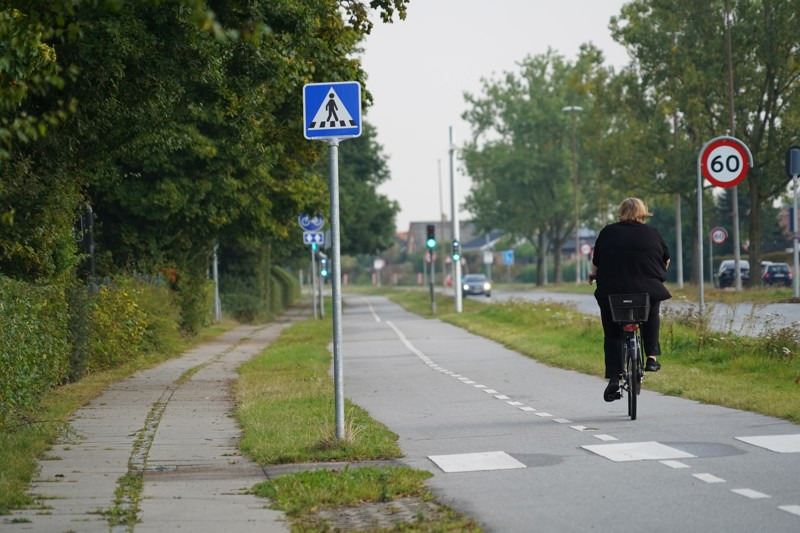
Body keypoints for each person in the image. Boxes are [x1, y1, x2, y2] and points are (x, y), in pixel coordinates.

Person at [589, 198, 671, 402]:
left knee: (612, 333)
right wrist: (657, 275)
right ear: (643, 212)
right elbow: (666, 260)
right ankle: (651, 358)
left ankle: (614, 379)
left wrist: (593, 275)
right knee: (651, 312)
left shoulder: (608, 232)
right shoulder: (652, 233)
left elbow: (597, 262)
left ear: (620, 211)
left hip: (612, 293)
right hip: (646, 290)